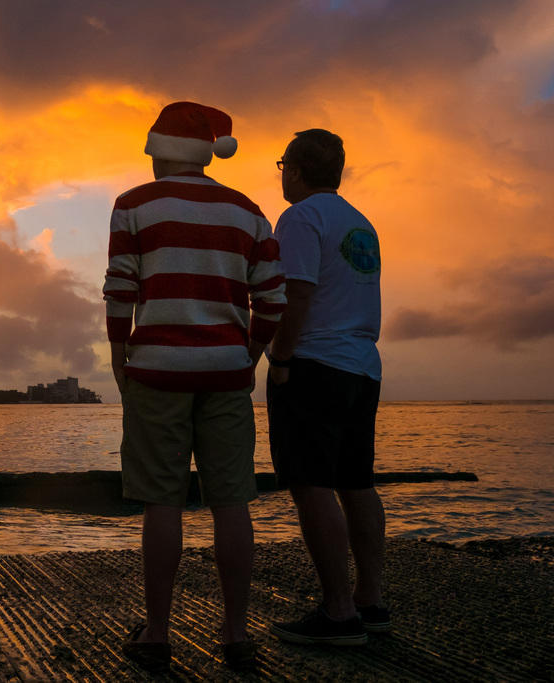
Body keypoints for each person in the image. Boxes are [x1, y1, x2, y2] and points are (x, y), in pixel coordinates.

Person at [103, 101, 286, 671]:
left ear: (159, 151)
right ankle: (235, 634)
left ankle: (157, 633)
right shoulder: (248, 211)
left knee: (163, 503)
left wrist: (119, 354)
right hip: (227, 372)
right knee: (231, 502)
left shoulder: (132, 205)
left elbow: (120, 289)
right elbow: (273, 299)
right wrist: (248, 355)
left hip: (156, 369)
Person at [266, 129, 387, 646]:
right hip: (363, 366)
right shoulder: (361, 223)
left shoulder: (300, 218)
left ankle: (338, 613)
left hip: (315, 362)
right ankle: (369, 600)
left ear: (294, 169)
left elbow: (297, 293)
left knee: (310, 483)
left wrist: (282, 357)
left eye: (282, 165)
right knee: (356, 483)